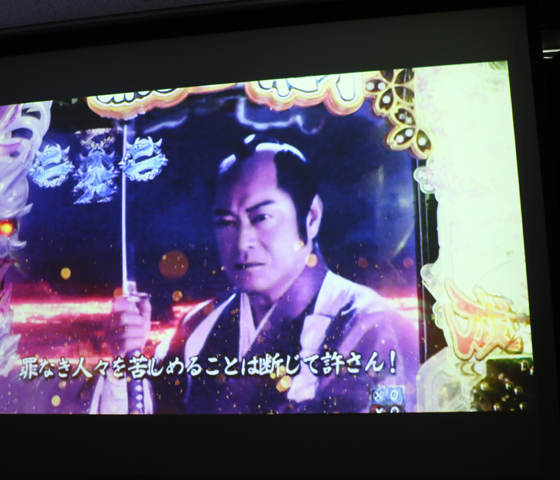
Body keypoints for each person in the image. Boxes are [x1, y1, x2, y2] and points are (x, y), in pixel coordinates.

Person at [91, 134, 419, 414]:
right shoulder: (198, 327)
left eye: (261, 218)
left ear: (311, 217)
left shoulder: (370, 323)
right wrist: (125, 361)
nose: (242, 242)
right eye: (226, 223)